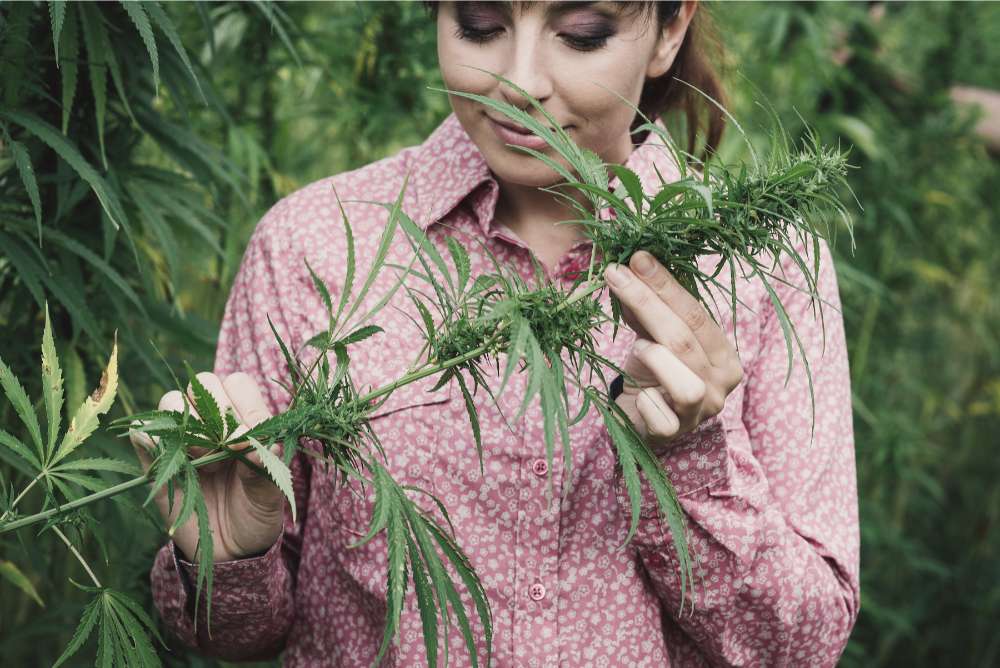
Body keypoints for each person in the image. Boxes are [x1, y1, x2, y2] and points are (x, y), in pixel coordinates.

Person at [130, 2, 860, 665]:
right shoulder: (314, 246)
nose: (518, 81)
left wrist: (690, 468)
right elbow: (232, 633)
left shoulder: (769, 273)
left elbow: (803, 646)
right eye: (480, 25)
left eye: (581, 35)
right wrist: (227, 560)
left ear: (670, 30)